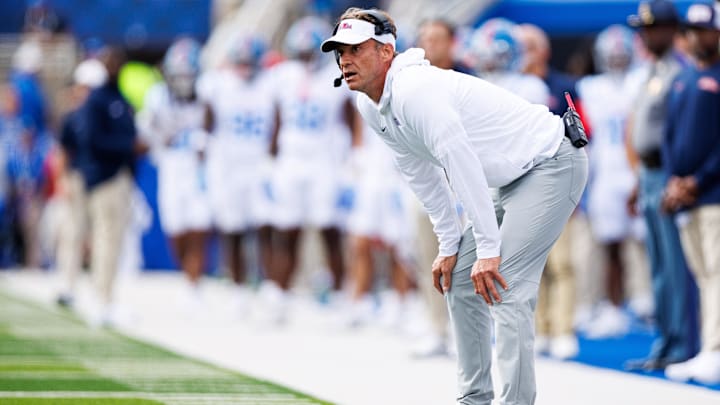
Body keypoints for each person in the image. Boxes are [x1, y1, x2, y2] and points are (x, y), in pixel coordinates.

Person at [321, 7, 588, 404]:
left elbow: (460, 165)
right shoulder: (369, 103)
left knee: (504, 284)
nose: (345, 59)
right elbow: (420, 173)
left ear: (385, 53)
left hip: (551, 163)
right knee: (459, 280)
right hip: (509, 179)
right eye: (340, 51)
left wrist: (488, 249)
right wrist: (449, 245)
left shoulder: (415, 90)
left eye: (356, 48)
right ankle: (474, 397)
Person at [623, 0, 699, 372]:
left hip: (668, 173)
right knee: (657, 265)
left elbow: (681, 133)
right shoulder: (652, 70)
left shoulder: (679, 71)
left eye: (651, 29)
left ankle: (684, 344)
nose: (645, 36)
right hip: (649, 175)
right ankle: (666, 340)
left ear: (671, 30)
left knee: (675, 266)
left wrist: (672, 177)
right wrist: (638, 181)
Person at [662, 2, 720, 385]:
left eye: (705, 30)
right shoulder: (682, 79)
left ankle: (714, 350)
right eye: (693, 30)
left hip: (713, 193)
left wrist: (698, 180)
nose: (697, 36)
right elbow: (668, 136)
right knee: (701, 274)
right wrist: (672, 180)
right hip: (687, 195)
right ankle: (707, 347)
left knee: (717, 273)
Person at [198, 32, 276, 317]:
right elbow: (208, 119)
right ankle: (238, 288)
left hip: (258, 165)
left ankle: (270, 287)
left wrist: (272, 157)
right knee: (232, 230)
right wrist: (204, 149)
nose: (244, 67)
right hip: (228, 165)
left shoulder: (270, 84)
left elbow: (277, 120)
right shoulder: (218, 84)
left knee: (265, 228)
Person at [517, 23, 582, 360]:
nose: (524, 51)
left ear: (543, 50)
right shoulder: (508, 87)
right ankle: (540, 326)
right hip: (524, 186)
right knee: (532, 263)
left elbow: (584, 134)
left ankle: (563, 328)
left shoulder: (563, 86)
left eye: (530, 45)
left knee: (563, 262)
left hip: (558, 183)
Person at [136, 38, 212, 315]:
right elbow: (145, 132)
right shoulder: (157, 96)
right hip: (170, 167)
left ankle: (194, 284)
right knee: (176, 229)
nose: (182, 81)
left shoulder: (207, 93)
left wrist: (205, 142)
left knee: (198, 227)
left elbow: (213, 124)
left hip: (197, 168)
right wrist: (157, 138)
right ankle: (187, 278)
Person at [78, 46, 137, 326]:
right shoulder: (97, 101)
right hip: (105, 177)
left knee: (115, 241)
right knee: (105, 238)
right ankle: (101, 298)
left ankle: (106, 296)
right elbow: (92, 141)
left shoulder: (120, 99)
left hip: (120, 177)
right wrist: (128, 147)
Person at [55, 58, 108, 307]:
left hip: (101, 180)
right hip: (78, 177)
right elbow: (63, 152)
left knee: (102, 236)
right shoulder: (73, 117)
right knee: (72, 233)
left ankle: (101, 289)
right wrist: (62, 180)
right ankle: (68, 284)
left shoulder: (107, 114)